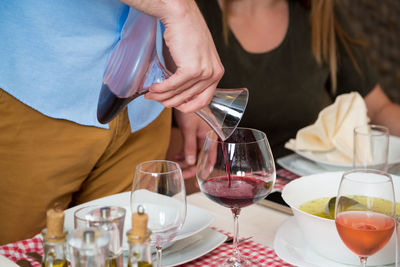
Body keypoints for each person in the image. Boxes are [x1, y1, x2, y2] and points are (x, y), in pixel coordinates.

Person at [0, 0, 223, 245]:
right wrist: (180, 11)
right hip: (36, 89)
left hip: (145, 104)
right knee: (21, 255)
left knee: (129, 253)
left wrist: (184, 82)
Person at [170, 0, 400, 177]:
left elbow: (377, 108)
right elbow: (175, 154)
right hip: (226, 199)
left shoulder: (318, 13)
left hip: (309, 193)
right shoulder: (184, 14)